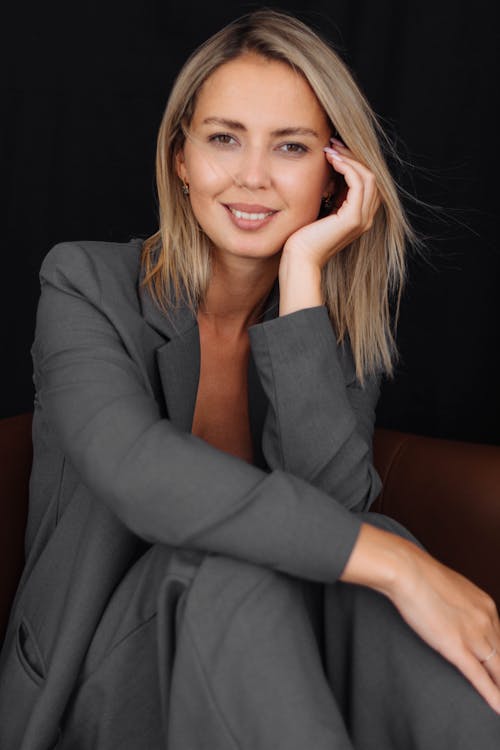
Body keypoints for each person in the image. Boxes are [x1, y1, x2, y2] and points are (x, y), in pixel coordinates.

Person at [0, 8, 499, 749]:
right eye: (224, 138)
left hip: (274, 671)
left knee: (352, 556)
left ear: (334, 175)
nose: (254, 176)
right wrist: (407, 569)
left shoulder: (329, 328)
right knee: (250, 565)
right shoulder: (85, 284)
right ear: (181, 158)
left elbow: (334, 516)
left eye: (291, 147)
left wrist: (302, 281)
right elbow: (139, 473)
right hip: (105, 686)